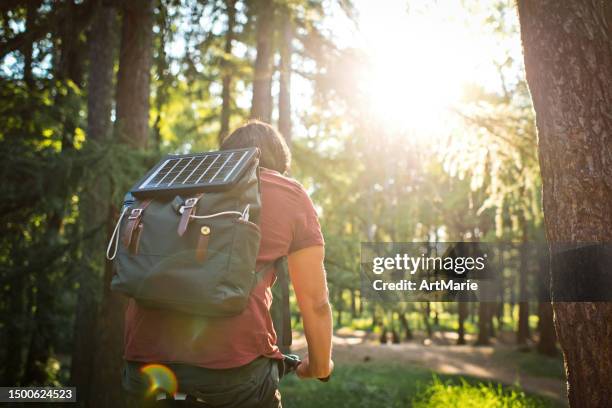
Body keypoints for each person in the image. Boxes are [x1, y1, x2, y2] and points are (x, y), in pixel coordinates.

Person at [122, 120, 333, 407]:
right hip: (234, 375)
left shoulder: (173, 186)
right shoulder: (288, 193)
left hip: (143, 368)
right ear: (280, 164)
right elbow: (316, 302)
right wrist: (318, 367)